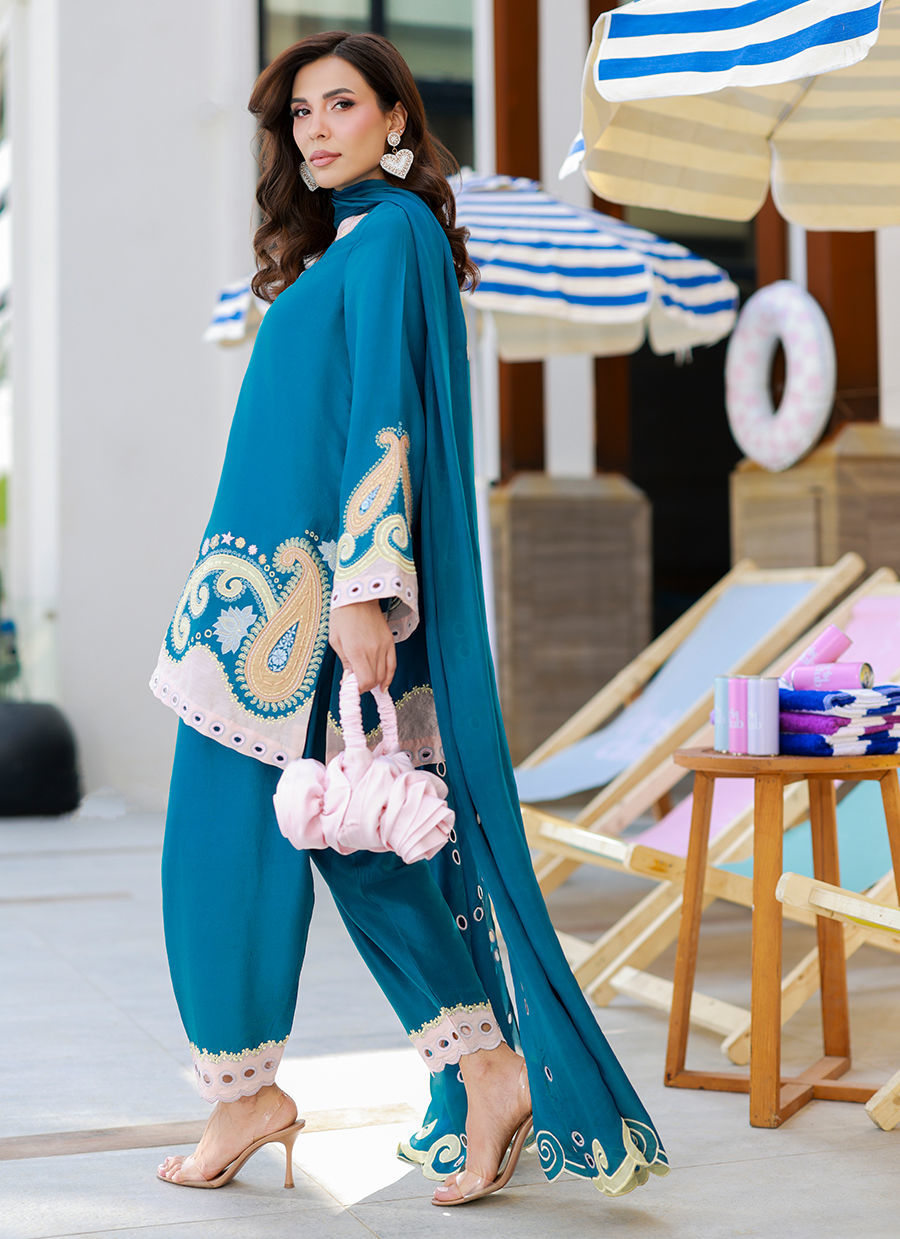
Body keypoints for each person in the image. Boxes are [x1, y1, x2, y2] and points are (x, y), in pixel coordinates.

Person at [152, 30, 668, 1205]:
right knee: (342, 842)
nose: (315, 130)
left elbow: (383, 418)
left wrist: (366, 595)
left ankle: (412, 1079)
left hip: (301, 607)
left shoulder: (389, 237)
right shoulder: (348, 243)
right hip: (253, 605)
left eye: (342, 105)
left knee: (276, 839)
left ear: (396, 118)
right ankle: (451, 1074)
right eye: (300, 114)